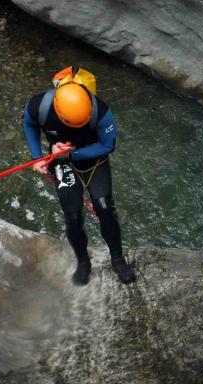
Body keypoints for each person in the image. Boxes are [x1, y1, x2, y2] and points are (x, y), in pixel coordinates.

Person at [22, 66, 136, 285]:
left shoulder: (100, 111)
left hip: (93, 161)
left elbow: (107, 145)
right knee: (73, 215)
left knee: (104, 208)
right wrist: (37, 158)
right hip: (61, 162)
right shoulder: (41, 106)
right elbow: (29, 123)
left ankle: (118, 260)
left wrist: (73, 153)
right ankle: (83, 262)